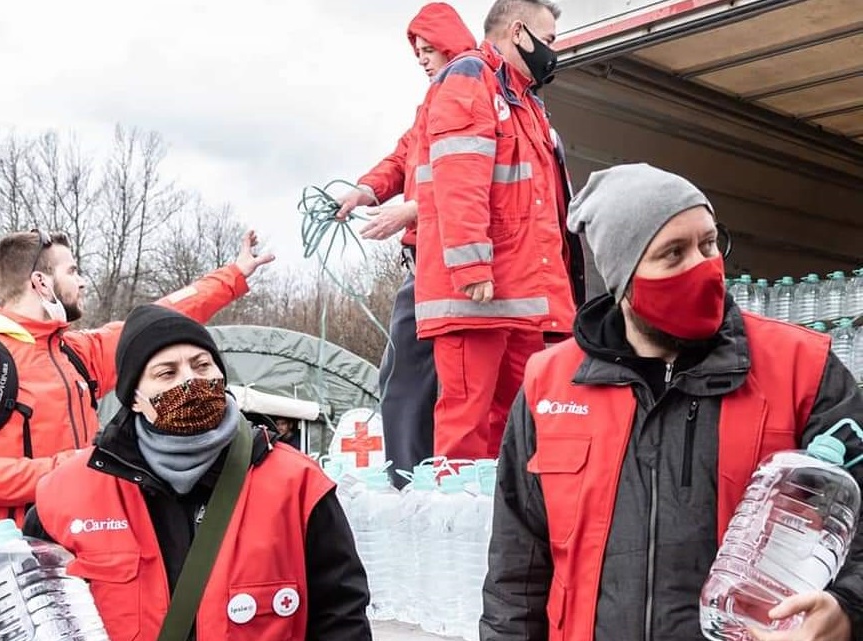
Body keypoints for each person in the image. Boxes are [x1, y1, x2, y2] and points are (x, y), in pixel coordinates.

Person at [480, 163, 863, 641]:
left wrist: (848, 610)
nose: (702, 267)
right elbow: (517, 569)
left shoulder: (803, 368)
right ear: (623, 280)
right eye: (672, 254)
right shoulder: (550, 384)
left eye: (708, 243)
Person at [0, 228, 274, 640]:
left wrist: (233, 275)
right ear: (40, 282)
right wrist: (59, 474)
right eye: (73, 270)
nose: (83, 280)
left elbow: (155, 322)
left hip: (69, 591)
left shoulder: (74, 354)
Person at [23, 304, 372, 641]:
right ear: (134, 398)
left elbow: (341, 613)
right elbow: (38, 616)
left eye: (201, 365)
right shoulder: (67, 495)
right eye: (167, 373)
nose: (190, 380)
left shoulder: (297, 483)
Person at [411, 0, 585, 461]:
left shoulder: (522, 100)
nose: (552, 52)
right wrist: (471, 265)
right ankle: (458, 526)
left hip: (515, 295)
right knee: (466, 431)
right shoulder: (471, 79)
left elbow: (540, 205)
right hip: (476, 297)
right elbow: (459, 176)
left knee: (520, 426)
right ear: (519, 32)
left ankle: (512, 524)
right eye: (547, 41)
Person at [337, 2, 476, 485]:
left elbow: (472, 178)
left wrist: (413, 211)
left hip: (444, 262)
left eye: (427, 47)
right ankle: (425, 479)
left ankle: (411, 484)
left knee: (410, 383)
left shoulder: (464, 93)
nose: (420, 57)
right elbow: (402, 158)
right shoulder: (433, 103)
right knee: (425, 385)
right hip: (434, 258)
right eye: (415, 51)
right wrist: (366, 190)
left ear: (448, 41)